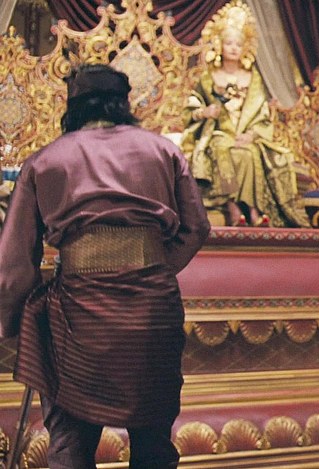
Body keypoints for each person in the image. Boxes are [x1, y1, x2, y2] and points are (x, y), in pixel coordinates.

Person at [0, 63, 211, 468]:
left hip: (79, 312)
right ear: (124, 104)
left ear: (72, 107)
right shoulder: (164, 150)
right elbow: (197, 226)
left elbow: (14, 260)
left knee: (70, 444)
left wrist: (11, 323)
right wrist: (155, 266)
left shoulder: (45, 160)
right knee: (154, 443)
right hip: (152, 307)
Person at [181, 0, 308, 228]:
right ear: (220, 44)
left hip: (244, 136)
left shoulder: (254, 79)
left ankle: (252, 209)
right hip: (217, 134)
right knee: (222, 148)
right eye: (229, 43)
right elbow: (191, 106)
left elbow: (262, 115)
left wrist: (251, 135)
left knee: (249, 154)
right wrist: (205, 112)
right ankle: (232, 207)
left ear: (245, 47)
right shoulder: (209, 77)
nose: (233, 48)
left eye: (238, 44)